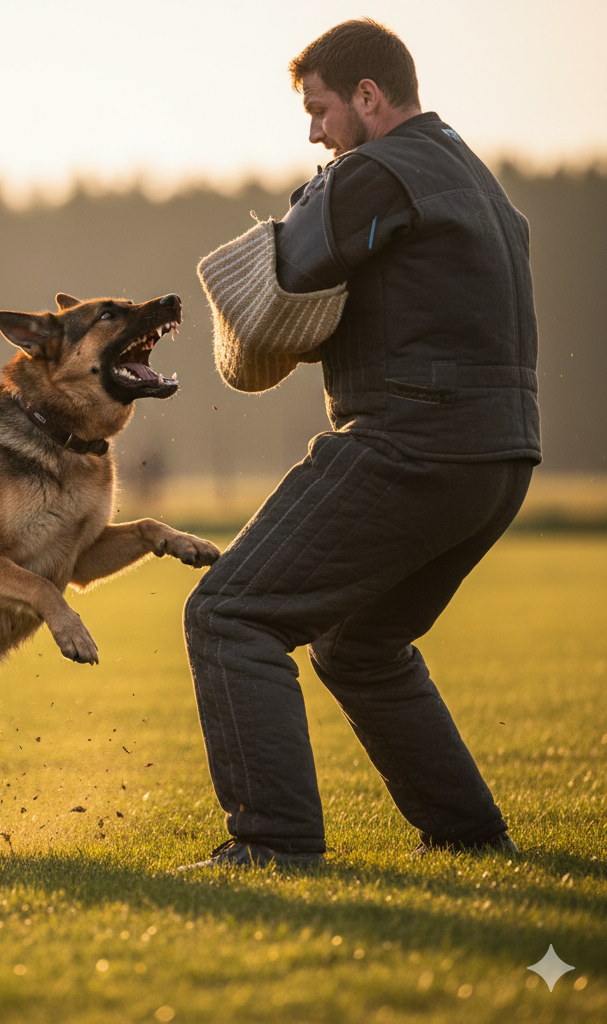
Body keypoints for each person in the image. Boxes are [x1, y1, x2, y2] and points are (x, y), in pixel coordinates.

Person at [182, 18, 540, 869]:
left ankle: (273, 843)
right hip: (501, 458)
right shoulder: (476, 178)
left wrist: (314, 195)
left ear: (369, 98)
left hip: (413, 441)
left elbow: (286, 271)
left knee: (230, 612)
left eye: (320, 111)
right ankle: (468, 836)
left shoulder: (376, 170)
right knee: (359, 642)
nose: (314, 132)